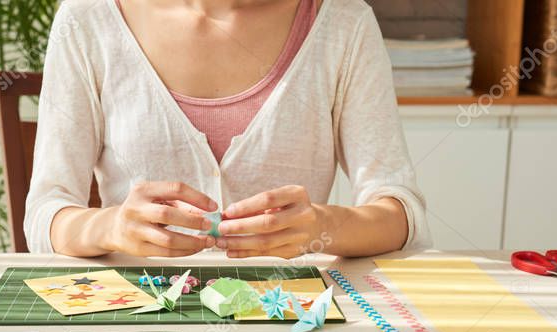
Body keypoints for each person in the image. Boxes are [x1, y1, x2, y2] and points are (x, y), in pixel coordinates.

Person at [24, 0, 430, 259]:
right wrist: (111, 226)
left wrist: (322, 227)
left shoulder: (344, 22)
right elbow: (46, 215)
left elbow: (400, 213)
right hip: (139, 318)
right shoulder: (86, 19)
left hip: (291, 321)